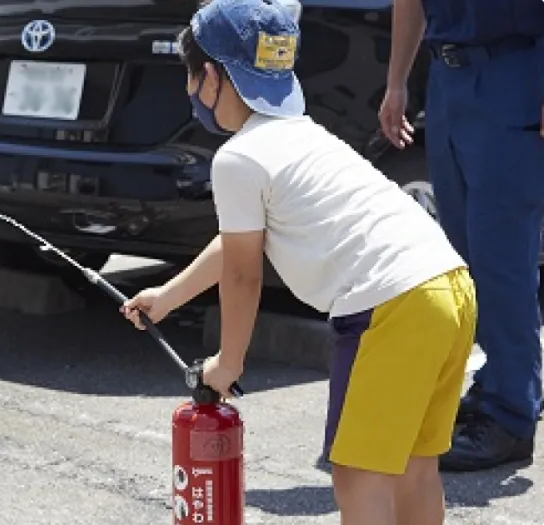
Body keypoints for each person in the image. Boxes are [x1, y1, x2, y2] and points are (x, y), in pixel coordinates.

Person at [121, 0, 476, 522]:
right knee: (416, 467)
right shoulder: (304, 134)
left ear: (212, 77)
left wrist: (228, 363)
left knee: (358, 477)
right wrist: (168, 296)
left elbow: (243, 273)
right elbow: (237, 243)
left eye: (191, 76)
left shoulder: (238, 158)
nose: (190, 90)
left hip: (390, 305)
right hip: (448, 285)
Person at [378, 0, 543, 472]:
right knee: (463, 257)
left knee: (501, 260)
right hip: (448, 79)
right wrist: (396, 82)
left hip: (512, 73)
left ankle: (511, 416)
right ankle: (499, 385)